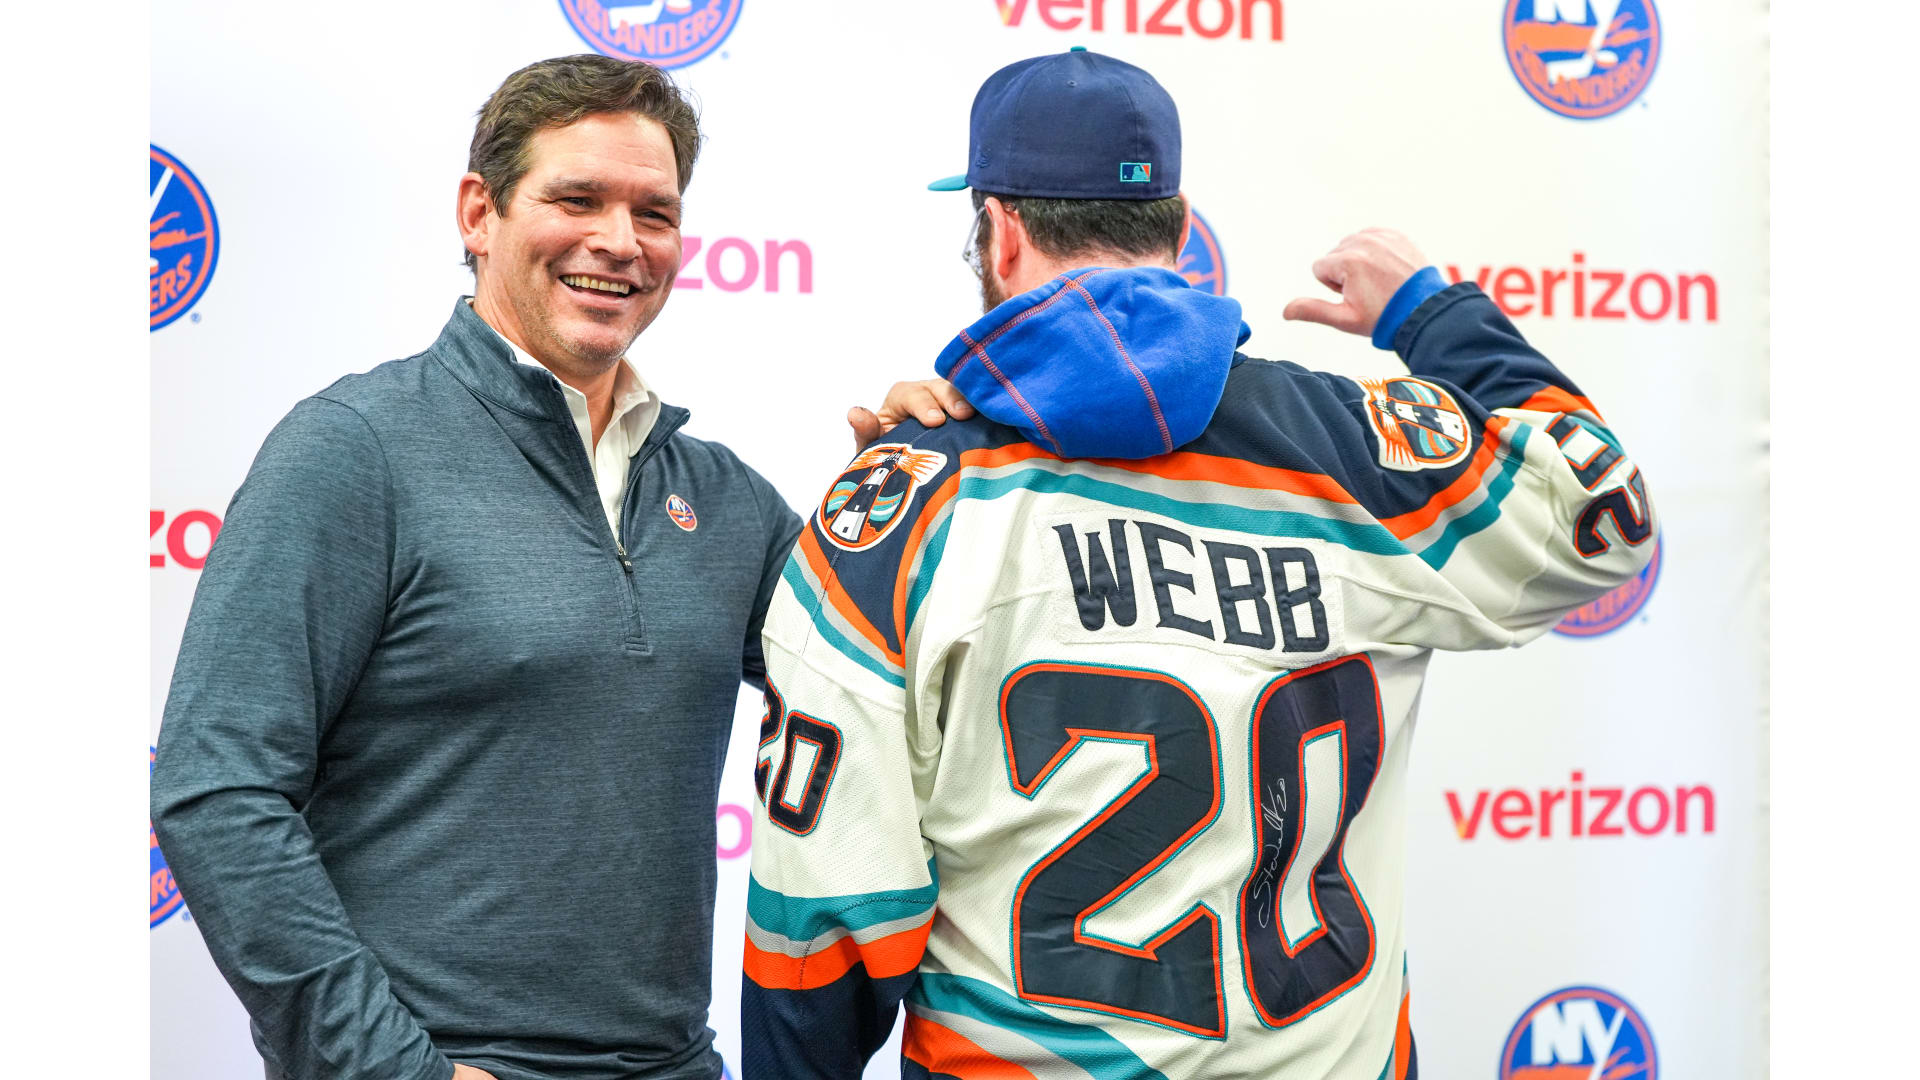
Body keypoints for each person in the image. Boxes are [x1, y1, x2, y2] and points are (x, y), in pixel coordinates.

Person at [740, 49, 1658, 1079]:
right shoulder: (1356, 450)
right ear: (1179, 232)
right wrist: (1429, 313)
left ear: (998, 233)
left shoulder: (907, 504)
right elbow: (1606, 513)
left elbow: (825, 918)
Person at [153, 55, 814, 1080]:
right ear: (479, 213)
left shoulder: (725, 498)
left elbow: (896, 677)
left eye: (653, 212)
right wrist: (393, 1069)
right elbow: (217, 787)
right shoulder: (353, 451)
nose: (619, 241)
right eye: (577, 200)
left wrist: (941, 455)